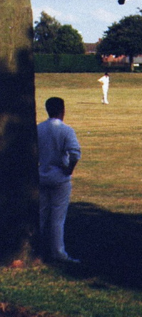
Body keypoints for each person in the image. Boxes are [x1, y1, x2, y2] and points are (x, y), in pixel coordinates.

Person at [38, 97, 81, 263]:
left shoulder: (39, 128)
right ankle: (58, 253)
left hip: (42, 174)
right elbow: (75, 153)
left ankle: (37, 249)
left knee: (41, 214)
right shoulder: (66, 130)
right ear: (62, 110)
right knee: (57, 217)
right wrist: (69, 169)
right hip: (59, 177)